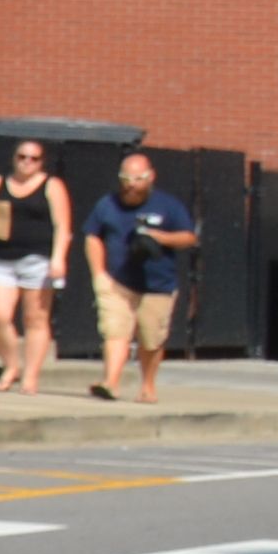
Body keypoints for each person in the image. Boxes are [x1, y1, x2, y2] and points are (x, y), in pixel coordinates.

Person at [83, 151, 199, 406]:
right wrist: (99, 273)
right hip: (117, 282)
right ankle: (111, 383)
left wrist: (160, 238)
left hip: (157, 285)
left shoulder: (168, 205)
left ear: (150, 177)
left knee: (151, 339)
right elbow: (92, 236)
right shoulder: (107, 204)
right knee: (115, 331)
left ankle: (147, 385)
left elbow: (189, 237)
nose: (131, 185)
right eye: (126, 179)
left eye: (138, 179)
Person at [0, 138, 73, 394]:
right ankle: (11, 365)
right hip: (1, 257)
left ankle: (30, 376)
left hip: (37, 259)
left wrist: (58, 258)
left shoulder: (51, 186)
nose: (27, 162)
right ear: (14, 158)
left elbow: (62, 225)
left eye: (33, 158)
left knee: (35, 318)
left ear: (41, 162)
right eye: (22, 157)